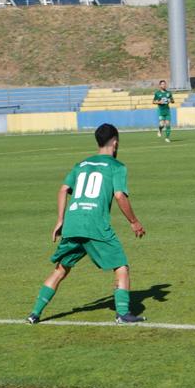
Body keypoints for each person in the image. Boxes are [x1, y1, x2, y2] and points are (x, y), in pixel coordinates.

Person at [27, 123, 147, 324]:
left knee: (61, 269)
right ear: (115, 143)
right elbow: (119, 195)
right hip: (95, 225)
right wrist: (134, 222)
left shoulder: (81, 164)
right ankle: (123, 314)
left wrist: (60, 220)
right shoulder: (117, 166)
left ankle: (34, 314)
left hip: (73, 223)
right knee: (121, 267)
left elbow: (63, 189)